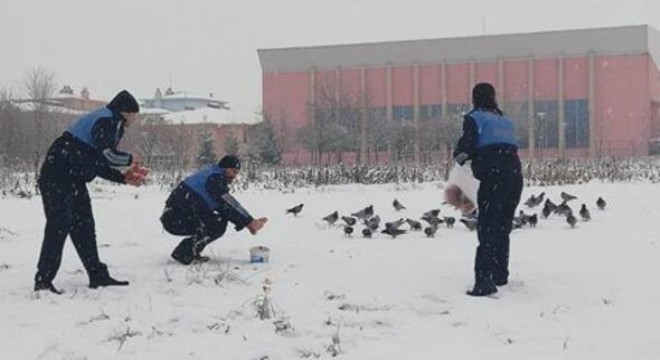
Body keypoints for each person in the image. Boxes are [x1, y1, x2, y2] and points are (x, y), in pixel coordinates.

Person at [34, 90, 148, 294]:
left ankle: (97, 275)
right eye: (134, 115)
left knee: (84, 226)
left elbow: (94, 162)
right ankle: (43, 281)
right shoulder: (106, 121)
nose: (134, 119)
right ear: (125, 112)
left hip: (72, 177)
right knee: (58, 227)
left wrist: (122, 178)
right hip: (58, 176)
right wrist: (130, 160)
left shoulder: (109, 121)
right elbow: (107, 156)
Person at [452, 82, 523, 297]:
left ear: (475, 98)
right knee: (502, 226)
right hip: (514, 175)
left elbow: (467, 146)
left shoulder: (474, 118)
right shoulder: (504, 119)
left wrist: (460, 156)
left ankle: (483, 281)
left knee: (488, 228)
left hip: (494, 175)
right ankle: (500, 273)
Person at [160, 155, 268, 265]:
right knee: (217, 224)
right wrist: (249, 221)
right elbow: (227, 203)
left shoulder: (212, 176)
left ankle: (189, 252)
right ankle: (184, 253)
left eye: (237, 173)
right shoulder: (214, 179)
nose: (235, 176)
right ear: (225, 168)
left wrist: (247, 223)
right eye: (233, 171)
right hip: (174, 219)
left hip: (175, 217)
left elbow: (224, 208)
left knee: (217, 221)